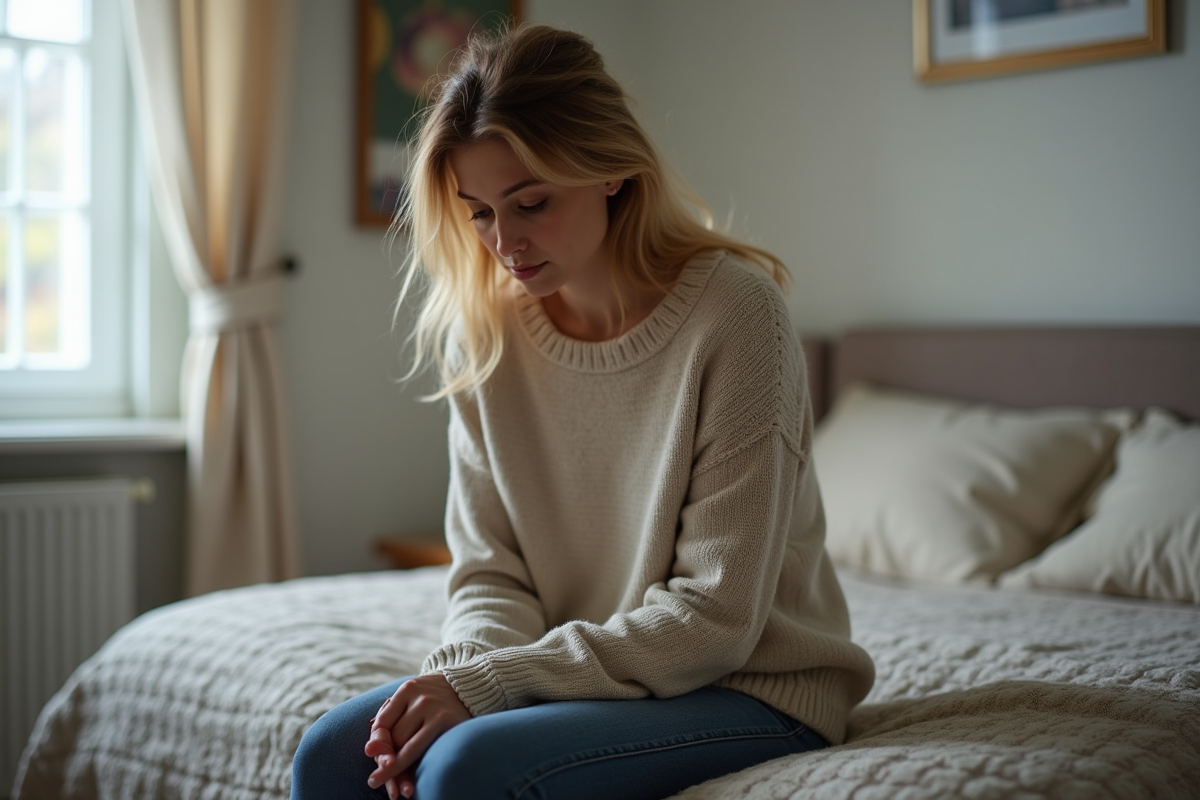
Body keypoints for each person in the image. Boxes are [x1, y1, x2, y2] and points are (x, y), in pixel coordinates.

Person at [291, 22, 874, 800]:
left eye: (531, 203)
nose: (506, 242)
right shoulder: (487, 332)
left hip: (750, 684)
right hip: (593, 673)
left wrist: (500, 685)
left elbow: (717, 615)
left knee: (470, 770)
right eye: (480, 213)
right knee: (330, 756)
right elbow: (491, 574)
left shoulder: (735, 314)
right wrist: (470, 677)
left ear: (612, 172)